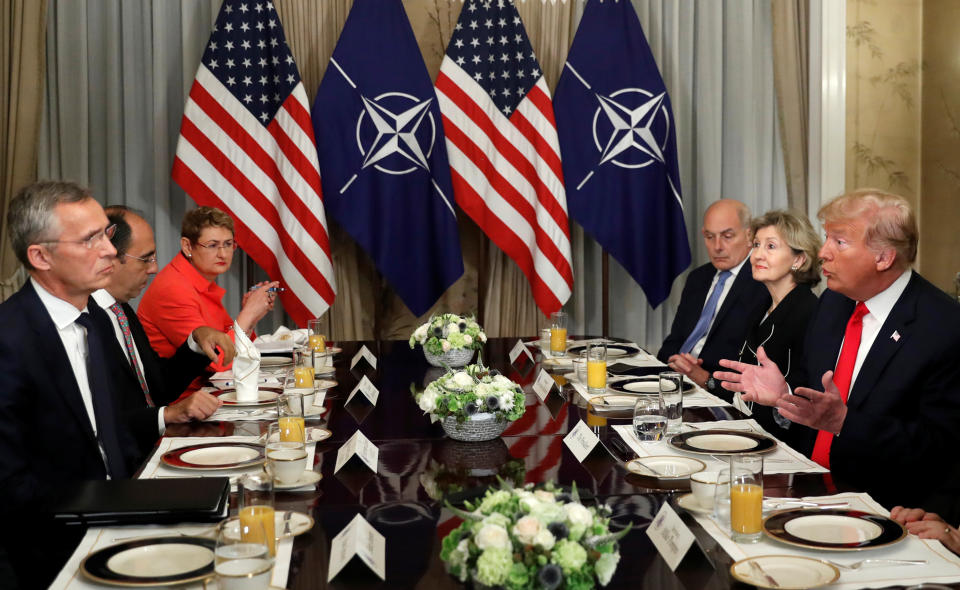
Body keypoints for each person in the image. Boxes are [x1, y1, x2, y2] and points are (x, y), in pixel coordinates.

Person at [716, 189, 960, 515]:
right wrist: (784, 394)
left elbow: (939, 449)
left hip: (882, 506)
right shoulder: (833, 302)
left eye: (839, 242)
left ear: (883, 257)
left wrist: (845, 422)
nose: (823, 253)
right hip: (804, 486)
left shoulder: (943, 326)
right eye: (826, 238)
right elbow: (814, 391)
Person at [0, 181, 139, 587]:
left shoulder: (94, 317)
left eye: (106, 233)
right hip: (50, 553)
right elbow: (10, 486)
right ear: (41, 256)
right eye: (90, 239)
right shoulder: (9, 341)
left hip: (117, 523)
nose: (111, 250)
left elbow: (111, 428)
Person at [93, 205, 236, 456]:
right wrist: (168, 414)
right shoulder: (86, 321)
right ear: (109, 259)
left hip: (159, 439)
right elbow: (97, 420)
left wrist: (195, 341)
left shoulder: (122, 311)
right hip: (129, 458)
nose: (154, 269)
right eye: (146, 259)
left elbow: (158, 387)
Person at [137, 206, 277, 382]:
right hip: (184, 401)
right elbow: (218, 361)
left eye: (228, 244)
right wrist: (248, 314)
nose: (223, 253)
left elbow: (231, 343)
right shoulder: (173, 288)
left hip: (210, 390)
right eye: (212, 245)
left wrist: (254, 315)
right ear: (187, 246)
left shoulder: (200, 278)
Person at [657, 199, 770, 399]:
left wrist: (704, 377)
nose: (717, 246)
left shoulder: (763, 284)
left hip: (717, 392)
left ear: (749, 235)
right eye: (709, 237)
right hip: (674, 382)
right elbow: (672, 342)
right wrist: (676, 362)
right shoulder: (698, 278)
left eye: (727, 236)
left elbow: (751, 364)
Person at [733, 210, 820, 447]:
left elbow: (809, 393)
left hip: (784, 443)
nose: (757, 255)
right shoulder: (760, 305)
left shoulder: (810, 313)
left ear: (799, 259)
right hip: (746, 428)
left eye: (771, 246)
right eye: (756, 245)